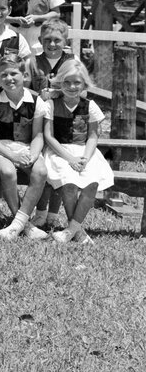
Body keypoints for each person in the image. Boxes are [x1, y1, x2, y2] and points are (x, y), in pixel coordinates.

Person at [42, 59, 114, 244]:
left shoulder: (89, 105)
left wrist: (85, 158)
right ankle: (77, 231)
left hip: (85, 152)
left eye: (77, 82)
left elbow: (93, 136)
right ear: (59, 82)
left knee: (92, 183)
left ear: (84, 84)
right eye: (67, 82)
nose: (72, 86)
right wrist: (70, 158)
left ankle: (72, 229)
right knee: (69, 182)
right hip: (60, 152)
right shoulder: (51, 104)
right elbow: (49, 136)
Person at [0, 54, 51, 241]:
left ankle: (17, 224)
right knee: (8, 172)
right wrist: (13, 157)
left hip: (25, 148)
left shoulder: (36, 100)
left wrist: (33, 154)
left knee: (40, 171)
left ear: (25, 75)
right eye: (3, 75)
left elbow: (38, 135)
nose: (9, 79)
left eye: (14, 73)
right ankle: (24, 224)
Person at [28, 20, 73, 96]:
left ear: (66, 41)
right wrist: (39, 96)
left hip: (63, 106)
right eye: (47, 39)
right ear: (40, 40)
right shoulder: (31, 63)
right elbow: (23, 90)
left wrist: (59, 93)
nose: (52, 44)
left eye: (57, 40)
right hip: (40, 106)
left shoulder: (72, 61)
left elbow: (83, 92)